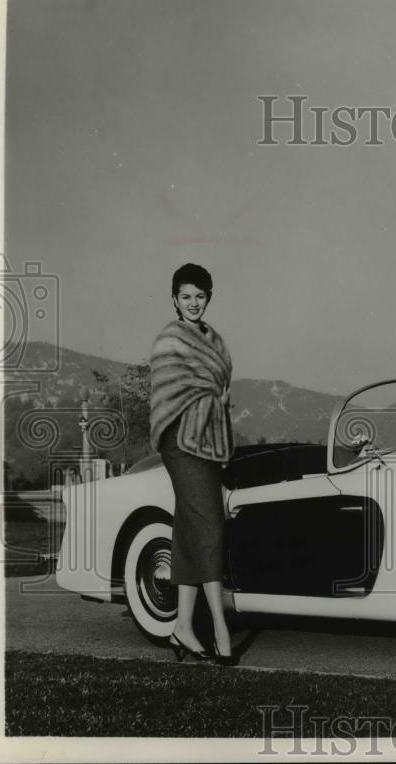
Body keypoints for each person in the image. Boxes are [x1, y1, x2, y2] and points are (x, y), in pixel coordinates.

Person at [149, 263, 237, 666]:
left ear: (209, 298)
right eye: (186, 296)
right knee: (210, 526)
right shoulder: (169, 339)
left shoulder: (215, 339)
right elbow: (170, 392)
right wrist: (211, 399)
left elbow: (220, 389)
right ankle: (221, 628)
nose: (193, 303)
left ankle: (182, 627)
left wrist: (217, 402)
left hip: (208, 440)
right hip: (179, 440)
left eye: (200, 296)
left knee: (189, 528)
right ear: (174, 299)